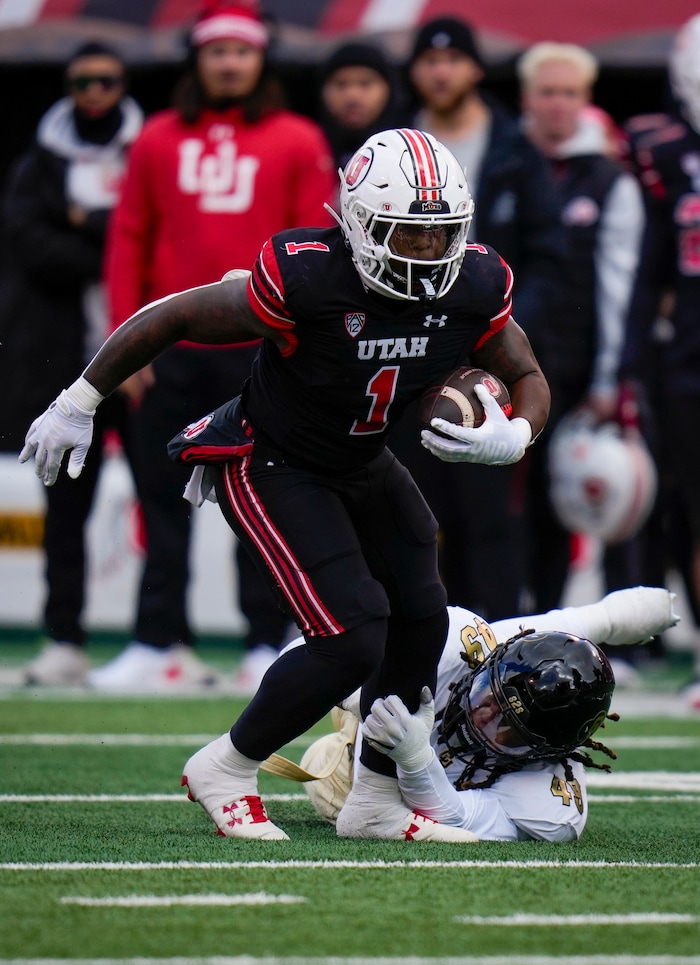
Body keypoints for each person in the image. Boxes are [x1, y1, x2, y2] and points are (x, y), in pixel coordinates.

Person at [19, 126, 551, 840]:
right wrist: (79, 400)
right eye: (404, 233)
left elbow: (527, 374)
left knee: (422, 613)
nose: (426, 253)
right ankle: (228, 764)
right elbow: (175, 312)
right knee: (354, 632)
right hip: (267, 457)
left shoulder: (477, 283)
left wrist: (515, 434)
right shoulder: (308, 276)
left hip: (360, 458)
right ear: (358, 222)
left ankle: (375, 796)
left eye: (440, 234)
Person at [93, 3, 337, 693]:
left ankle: (266, 637)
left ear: (260, 58)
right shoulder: (157, 138)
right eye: (217, 51)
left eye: (241, 50)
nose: (229, 62)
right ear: (197, 59)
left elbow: (316, 247)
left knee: (261, 496)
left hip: (261, 348)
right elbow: (128, 239)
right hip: (168, 348)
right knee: (158, 499)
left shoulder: (297, 138)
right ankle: (157, 638)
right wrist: (127, 343)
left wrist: (302, 343)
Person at [388, 16, 567, 620]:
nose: (442, 71)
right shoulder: (394, 145)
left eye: (454, 59)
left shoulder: (515, 147)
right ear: (415, 69)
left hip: (491, 355)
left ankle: (494, 647)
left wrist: (501, 331)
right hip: (409, 356)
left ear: (476, 68)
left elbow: (551, 255)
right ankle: (423, 653)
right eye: (430, 60)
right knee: (414, 514)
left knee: (491, 514)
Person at [288, 585, 679, 840]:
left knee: (331, 777)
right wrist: (359, 694)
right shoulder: (471, 645)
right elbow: (586, 622)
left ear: (545, 752)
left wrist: (415, 757)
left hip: (425, 783)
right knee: (338, 739)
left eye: (508, 727)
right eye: (490, 698)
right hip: (421, 703)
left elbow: (453, 817)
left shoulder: (550, 806)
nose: (484, 717)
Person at [0, 42, 144, 685]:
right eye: (83, 80)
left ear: (122, 85)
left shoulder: (149, 150)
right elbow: (32, 246)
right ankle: (64, 637)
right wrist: (110, 240)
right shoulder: (40, 162)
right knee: (63, 507)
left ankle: (160, 642)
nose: (95, 92)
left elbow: (155, 236)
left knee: (164, 503)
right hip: (64, 362)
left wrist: (87, 222)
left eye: (107, 80)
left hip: (143, 359)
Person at [515, 43, 647, 630]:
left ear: (586, 99)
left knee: (561, 502)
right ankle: (486, 625)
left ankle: (552, 623)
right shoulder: (503, 162)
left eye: (569, 92)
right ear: (528, 97)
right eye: (548, 91)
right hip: (499, 364)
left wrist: (609, 376)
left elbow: (620, 283)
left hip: (572, 368)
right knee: (496, 505)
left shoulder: (608, 177)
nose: (558, 104)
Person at [619, 14, 700, 710]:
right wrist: (632, 359)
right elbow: (648, 267)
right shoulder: (664, 150)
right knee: (688, 511)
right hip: (688, 355)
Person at [318, 40, 405, 171]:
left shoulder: (408, 149)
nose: (352, 96)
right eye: (341, 84)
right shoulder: (306, 147)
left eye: (365, 83)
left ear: (388, 88)